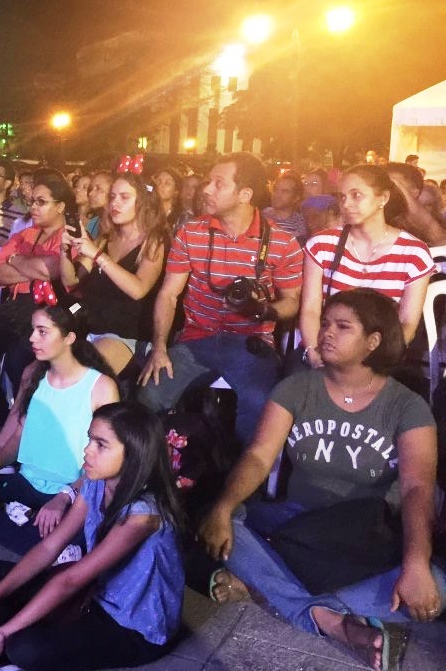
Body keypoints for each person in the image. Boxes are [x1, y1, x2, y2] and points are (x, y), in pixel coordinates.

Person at [199, 290, 443, 671]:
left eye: (342, 327)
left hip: (362, 537)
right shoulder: (297, 388)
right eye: (325, 323)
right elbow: (259, 456)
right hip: (295, 526)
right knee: (221, 522)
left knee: (437, 585)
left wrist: (416, 562)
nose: (326, 332)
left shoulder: (407, 406)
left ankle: (270, 589)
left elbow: (417, 488)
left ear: (373, 341)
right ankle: (330, 618)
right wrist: (224, 507)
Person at [0, 401, 185, 671]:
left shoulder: (143, 515)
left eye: (101, 445)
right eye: (90, 439)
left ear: (134, 454)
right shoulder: (95, 483)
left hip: (135, 627)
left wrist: (2, 631)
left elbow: (71, 580)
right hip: (94, 596)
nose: (87, 450)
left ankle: (1, 645)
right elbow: (49, 548)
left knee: (25, 648)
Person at [138, 153, 304, 446]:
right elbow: (169, 294)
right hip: (196, 338)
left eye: (218, 183)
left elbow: (292, 301)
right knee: (148, 395)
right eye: (208, 182)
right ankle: (163, 464)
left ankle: (242, 471)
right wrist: (160, 348)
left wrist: (264, 310)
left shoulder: (282, 243)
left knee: (260, 406)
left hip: (251, 342)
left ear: (245, 194)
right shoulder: (191, 232)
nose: (206, 189)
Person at [0, 305, 118, 557]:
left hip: (71, 492)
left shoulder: (101, 387)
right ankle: (39, 542)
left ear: (68, 338)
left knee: (86, 532)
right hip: (27, 482)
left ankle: (5, 522)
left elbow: (107, 460)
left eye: (42, 331)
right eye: (33, 330)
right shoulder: (36, 378)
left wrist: (64, 497)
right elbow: (19, 436)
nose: (32, 338)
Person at [0, 171, 75, 437]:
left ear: (60, 206)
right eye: (32, 201)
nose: (33, 207)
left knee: (17, 359)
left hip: (50, 309)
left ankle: (31, 426)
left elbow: (52, 269)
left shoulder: (68, 236)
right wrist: (29, 268)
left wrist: (15, 261)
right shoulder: (25, 234)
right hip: (15, 306)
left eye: (41, 202)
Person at [299, 164, 433, 369]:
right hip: (325, 347)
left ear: (383, 198)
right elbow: (310, 309)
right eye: (342, 197)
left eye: (357, 195)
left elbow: (407, 323)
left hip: (379, 356)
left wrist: (376, 362)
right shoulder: (322, 244)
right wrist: (313, 352)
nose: (346, 204)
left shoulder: (413, 253)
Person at [62, 173, 168, 377]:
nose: (114, 203)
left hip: (126, 335)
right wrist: (64, 251)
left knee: (79, 375)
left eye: (124, 197)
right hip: (90, 327)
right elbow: (71, 281)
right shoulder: (106, 238)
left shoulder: (153, 241)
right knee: (35, 367)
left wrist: (98, 256)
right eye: (112, 197)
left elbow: (138, 289)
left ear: (143, 203)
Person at [263, 171, 307, 241]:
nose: (277, 194)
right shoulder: (261, 215)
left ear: (296, 197)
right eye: (275, 189)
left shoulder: (300, 224)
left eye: (285, 191)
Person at [83, 171, 112, 239]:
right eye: (91, 189)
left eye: (98, 188)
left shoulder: (121, 228)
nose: (90, 193)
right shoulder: (94, 222)